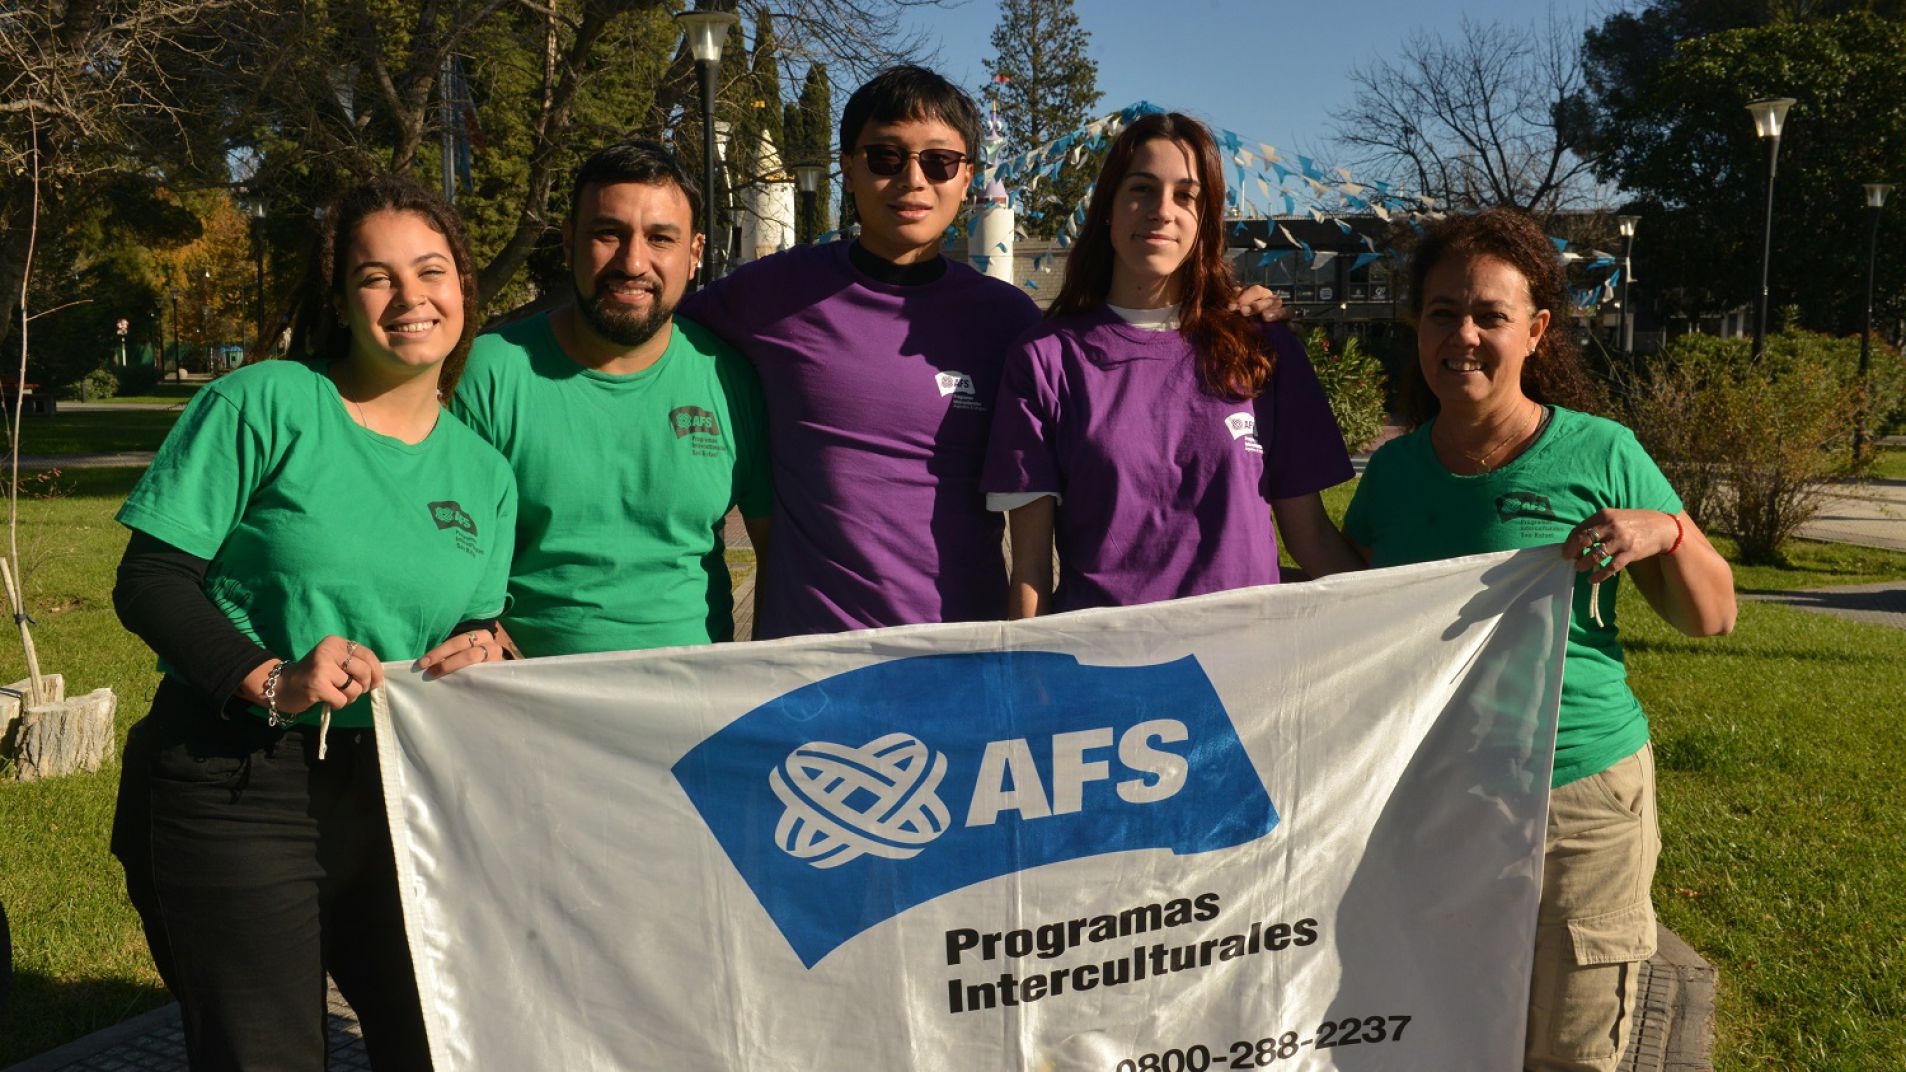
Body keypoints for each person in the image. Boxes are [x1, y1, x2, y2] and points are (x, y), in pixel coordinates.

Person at [110, 176, 516, 1071]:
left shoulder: (485, 472)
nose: (411, 297)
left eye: (432, 271)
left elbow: (479, 618)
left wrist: (485, 644)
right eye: (377, 277)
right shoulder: (265, 403)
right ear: (339, 298)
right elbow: (151, 580)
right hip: (238, 781)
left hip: (401, 795)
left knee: (448, 1045)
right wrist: (272, 678)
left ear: (464, 291)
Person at [1341, 207, 1736, 1072]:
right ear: (1419, 326)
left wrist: (1667, 532)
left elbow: (1713, 616)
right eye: (1443, 313)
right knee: (1444, 1028)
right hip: (1434, 799)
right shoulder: (1398, 472)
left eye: (1491, 315)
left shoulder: (1601, 449)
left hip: (1577, 802)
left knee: (1569, 1043)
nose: (1465, 335)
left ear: (1536, 330)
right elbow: (1359, 605)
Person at [678, 65, 1041, 639]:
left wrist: (1234, 312)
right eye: (886, 158)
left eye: (939, 162)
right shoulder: (769, 294)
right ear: (847, 168)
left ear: (967, 177)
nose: (913, 180)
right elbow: (637, 336)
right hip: (811, 673)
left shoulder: (1010, 321)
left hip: (963, 658)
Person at [982, 112, 1363, 616]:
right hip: (1103, 673)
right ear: (1108, 210)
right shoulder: (1045, 359)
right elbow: (1030, 572)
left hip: (1245, 672)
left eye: (1186, 195)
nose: (1162, 210)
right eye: (1141, 188)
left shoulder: (1262, 347)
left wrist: (1408, 631)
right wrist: (1024, 679)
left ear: (1204, 219)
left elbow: (1310, 536)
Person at [453, 140, 772, 657]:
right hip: (524, 707)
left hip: (696, 710)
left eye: (660, 238)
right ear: (567, 244)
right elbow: (444, 552)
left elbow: (776, 559)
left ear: (694, 254)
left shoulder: (731, 378)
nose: (633, 261)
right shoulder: (488, 373)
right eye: (608, 234)